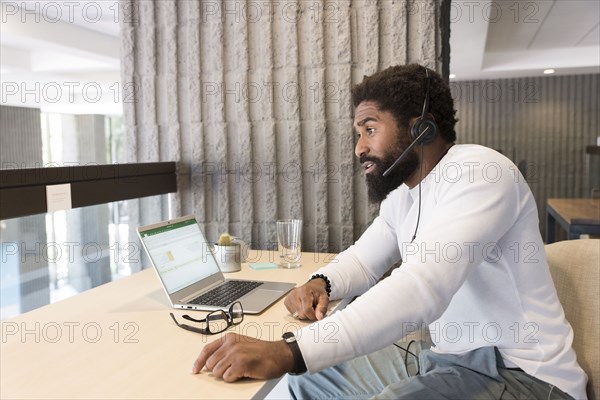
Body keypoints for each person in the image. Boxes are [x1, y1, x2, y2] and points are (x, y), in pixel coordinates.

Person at [192, 64, 587, 399]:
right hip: (449, 357)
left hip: (523, 375)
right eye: (358, 133)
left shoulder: (481, 173)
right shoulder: (404, 196)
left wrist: (288, 351)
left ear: (421, 130)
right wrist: (321, 283)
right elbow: (364, 260)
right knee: (304, 385)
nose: (359, 148)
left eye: (369, 129)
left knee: (299, 366)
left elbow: (420, 289)